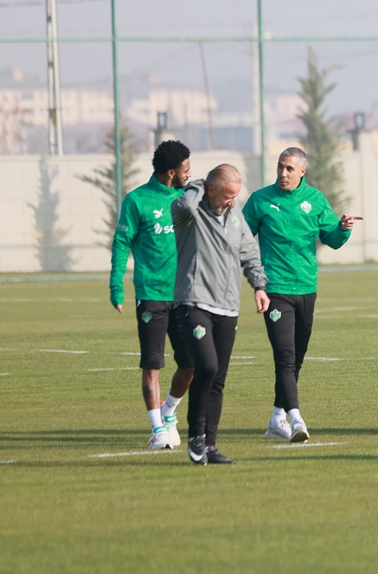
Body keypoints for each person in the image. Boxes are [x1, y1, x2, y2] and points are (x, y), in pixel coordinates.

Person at [244, 147, 362, 443]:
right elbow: (241, 239)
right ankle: (296, 420)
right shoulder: (260, 200)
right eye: (280, 167)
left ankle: (275, 419)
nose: (283, 173)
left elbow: (332, 239)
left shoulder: (315, 200)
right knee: (284, 357)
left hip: (307, 289)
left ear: (302, 172)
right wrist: (257, 281)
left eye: (289, 169)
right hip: (275, 290)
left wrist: (343, 228)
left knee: (295, 358)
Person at [172, 164, 269, 465]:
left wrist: (259, 286)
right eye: (227, 195)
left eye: (235, 196)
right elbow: (182, 203)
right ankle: (195, 437)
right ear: (210, 190)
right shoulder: (190, 214)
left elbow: (250, 254)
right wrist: (198, 185)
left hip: (227, 307)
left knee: (218, 380)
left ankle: (210, 445)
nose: (231, 201)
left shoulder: (236, 216)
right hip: (194, 303)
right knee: (207, 367)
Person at [109, 139, 195, 450]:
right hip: (152, 294)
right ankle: (157, 429)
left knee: (191, 363)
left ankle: (168, 412)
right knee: (152, 364)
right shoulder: (137, 201)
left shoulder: (188, 198)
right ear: (171, 172)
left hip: (185, 294)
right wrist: (116, 286)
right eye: (186, 169)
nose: (190, 173)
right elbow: (121, 244)